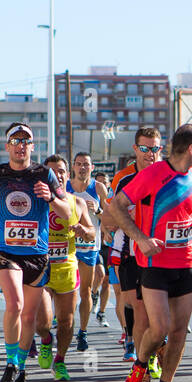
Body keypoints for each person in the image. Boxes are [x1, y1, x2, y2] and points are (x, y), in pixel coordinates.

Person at [110, 125, 192, 382]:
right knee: (159, 328)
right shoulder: (153, 175)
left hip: (186, 262)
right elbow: (117, 206)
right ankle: (140, 366)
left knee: (179, 330)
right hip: (154, 263)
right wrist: (141, 239)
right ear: (191, 148)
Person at [0, 122, 72, 382]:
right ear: (7, 146)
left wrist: (52, 198)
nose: (20, 145)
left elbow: (67, 212)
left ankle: (19, 368)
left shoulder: (45, 174)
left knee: (29, 315)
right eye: (15, 141)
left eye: (25, 141)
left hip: (37, 254)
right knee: (15, 304)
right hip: (5, 251)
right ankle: (10, 364)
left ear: (32, 146)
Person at [102, 128, 163, 365]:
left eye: (155, 148)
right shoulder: (123, 178)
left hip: (161, 252)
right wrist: (123, 223)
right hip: (130, 249)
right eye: (145, 149)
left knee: (157, 313)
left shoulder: (168, 175)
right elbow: (108, 217)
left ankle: (153, 353)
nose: (151, 154)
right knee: (137, 307)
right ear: (136, 149)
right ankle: (143, 363)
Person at [41, 154, 95, 380]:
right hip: (41, 268)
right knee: (42, 320)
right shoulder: (36, 202)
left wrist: (85, 231)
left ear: (67, 174)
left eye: (62, 171)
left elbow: (92, 233)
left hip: (67, 267)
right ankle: (45, 340)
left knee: (66, 320)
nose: (59, 175)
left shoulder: (77, 202)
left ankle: (60, 360)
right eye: (53, 171)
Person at [65, 151, 107, 353]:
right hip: (68, 246)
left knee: (85, 291)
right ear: (73, 167)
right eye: (79, 164)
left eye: (86, 164)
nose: (82, 167)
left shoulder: (98, 188)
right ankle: (65, 327)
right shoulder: (65, 187)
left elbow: (111, 217)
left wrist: (98, 210)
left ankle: (82, 331)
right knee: (67, 291)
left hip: (90, 245)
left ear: (92, 168)